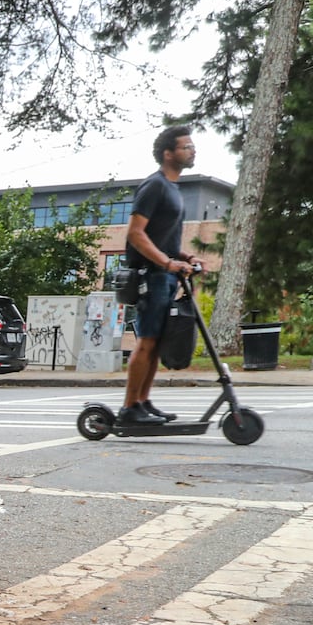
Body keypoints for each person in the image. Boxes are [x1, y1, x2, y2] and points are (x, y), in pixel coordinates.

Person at [121, 125, 199, 426]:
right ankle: (129, 408)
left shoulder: (173, 188)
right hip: (151, 276)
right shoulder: (154, 186)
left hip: (164, 274)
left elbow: (162, 240)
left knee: (156, 343)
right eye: (186, 146)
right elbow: (136, 234)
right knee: (147, 341)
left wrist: (184, 257)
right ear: (169, 154)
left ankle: (142, 402)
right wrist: (167, 264)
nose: (193, 151)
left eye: (192, 146)